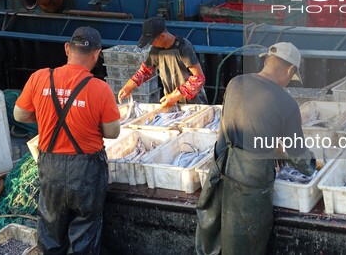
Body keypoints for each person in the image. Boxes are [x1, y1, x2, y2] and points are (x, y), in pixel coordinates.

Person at [195, 42, 316, 255]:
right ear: (290, 70)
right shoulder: (286, 103)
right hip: (249, 187)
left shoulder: (235, 83)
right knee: (244, 246)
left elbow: (242, 130)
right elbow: (300, 158)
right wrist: (314, 165)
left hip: (220, 172)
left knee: (214, 242)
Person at [13, 26, 121, 254]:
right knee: (85, 229)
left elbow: (20, 115)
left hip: (50, 166)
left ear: (66, 49)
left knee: (51, 227)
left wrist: (45, 116)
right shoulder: (100, 89)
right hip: (86, 171)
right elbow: (112, 132)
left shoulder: (39, 78)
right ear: (96, 54)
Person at [117, 16, 208, 107]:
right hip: (171, 102)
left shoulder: (183, 47)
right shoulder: (155, 50)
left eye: (151, 41)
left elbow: (199, 78)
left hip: (194, 103)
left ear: (162, 36)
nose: (150, 44)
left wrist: (173, 97)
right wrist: (128, 87)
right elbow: (145, 71)